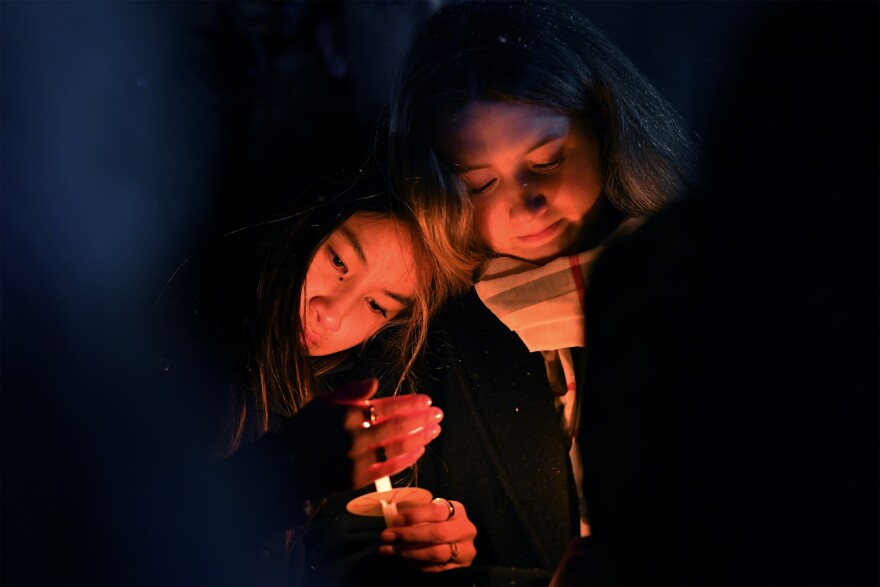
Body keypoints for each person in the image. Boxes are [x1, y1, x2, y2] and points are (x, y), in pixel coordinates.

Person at [303, 1, 697, 584]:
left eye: (547, 160)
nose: (525, 202)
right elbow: (351, 540)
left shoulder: (704, 279)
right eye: (480, 183)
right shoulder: (427, 335)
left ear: (609, 125)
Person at [153, 172, 461, 584]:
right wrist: (282, 474)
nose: (332, 313)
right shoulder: (155, 351)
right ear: (300, 219)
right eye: (338, 262)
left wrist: (407, 562)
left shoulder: (316, 401)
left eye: (375, 304)